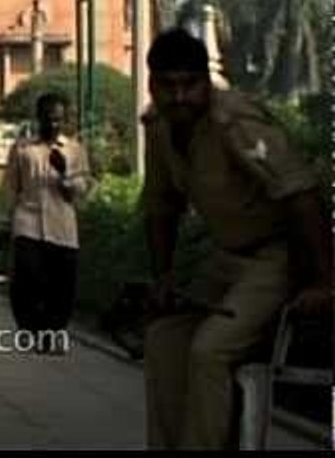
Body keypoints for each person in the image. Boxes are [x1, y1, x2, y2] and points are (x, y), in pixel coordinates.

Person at [140, 28, 331, 449]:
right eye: (168, 86)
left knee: (211, 351)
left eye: (189, 85)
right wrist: (163, 277)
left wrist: (323, 281)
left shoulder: (234, 121)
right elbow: (159, 208)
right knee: (163, 341)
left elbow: (302, 194)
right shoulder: (158, 126)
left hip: (274, 260)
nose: (179, 97)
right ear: (152, 84)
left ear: (205, 82)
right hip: (224, 260)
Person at [0, 92, 93, 351]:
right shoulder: (23, 149)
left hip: (62, 226)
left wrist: (66, 177)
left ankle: (53, 333)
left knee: (62, 286)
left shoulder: (74, 150)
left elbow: (84, 187)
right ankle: (31, 329)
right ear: (39, 118)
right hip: (28, 223)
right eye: (49, 119)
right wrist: (4, 221)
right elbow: (10, 187)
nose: (54, 125)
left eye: (59, 120)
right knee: (28, 280)